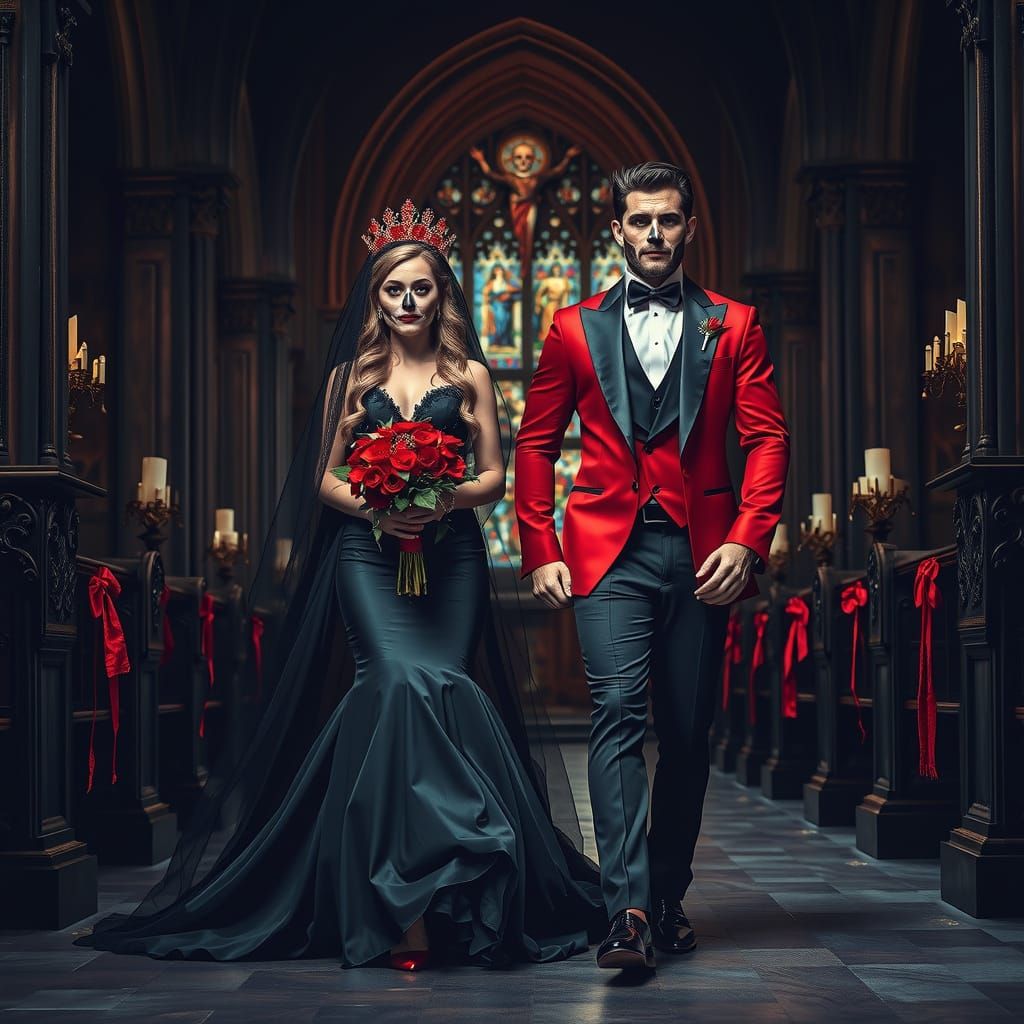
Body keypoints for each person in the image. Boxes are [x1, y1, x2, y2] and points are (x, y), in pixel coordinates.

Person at [75, 201, 603, 970]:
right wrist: (384, 508)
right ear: (376, 298)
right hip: (368, 555)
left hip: (450, 555)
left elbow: (494, 475)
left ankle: (451, 882)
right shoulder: (347, 378)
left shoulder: (474, 376)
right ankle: (397, 901)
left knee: (444, 684)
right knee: (391, 682)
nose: (408, 303)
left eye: (421, 289)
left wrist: (439, 498)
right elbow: (323, 478)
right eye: (394, 291)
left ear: (443, 295)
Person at [515, 162, 790, 970]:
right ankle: (627, 910)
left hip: (704, 553)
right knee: (616, 716)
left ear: (690, 227)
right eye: (640, 222)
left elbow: (766, 438)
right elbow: (535, 443)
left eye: (669, 220)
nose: (655, 235)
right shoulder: (571, 327)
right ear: (619, 230)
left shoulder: (734, 324)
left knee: (687, 731)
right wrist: (539, 545)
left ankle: (667, 895)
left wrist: (747, 536)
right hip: (607, 551)